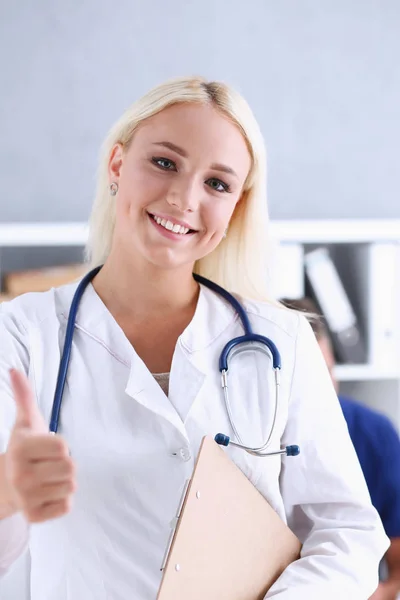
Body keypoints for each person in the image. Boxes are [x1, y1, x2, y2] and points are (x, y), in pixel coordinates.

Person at [0, 76, 388, 600]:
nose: (184, 198)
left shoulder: (286, 342)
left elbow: (348, 534)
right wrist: (6, 493)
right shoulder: (20, 336)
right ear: (118, 166)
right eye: (165, 163)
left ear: (235, 209)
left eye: (218, 184)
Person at [281, 297, 400, 600]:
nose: (321, 389)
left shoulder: (372, 432)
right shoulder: (241, 437)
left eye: (327, 372)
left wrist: (383, 593)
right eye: (309, 379)